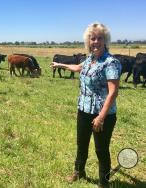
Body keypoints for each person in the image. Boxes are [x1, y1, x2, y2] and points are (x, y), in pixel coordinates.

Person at [51, 23, 122, 188]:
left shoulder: (111, 63)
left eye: (99, 38)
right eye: (93, 38)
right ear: (88, 41)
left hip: (103, 114)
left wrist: (101, 117)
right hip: (83, 109)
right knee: (81, 143)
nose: (95, 41)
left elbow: (113, 93)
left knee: (101, 149)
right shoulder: (90, 59)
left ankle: (104, 182)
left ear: (105, 40)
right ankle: (79, 172)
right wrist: (59, 65)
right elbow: (77, 67)